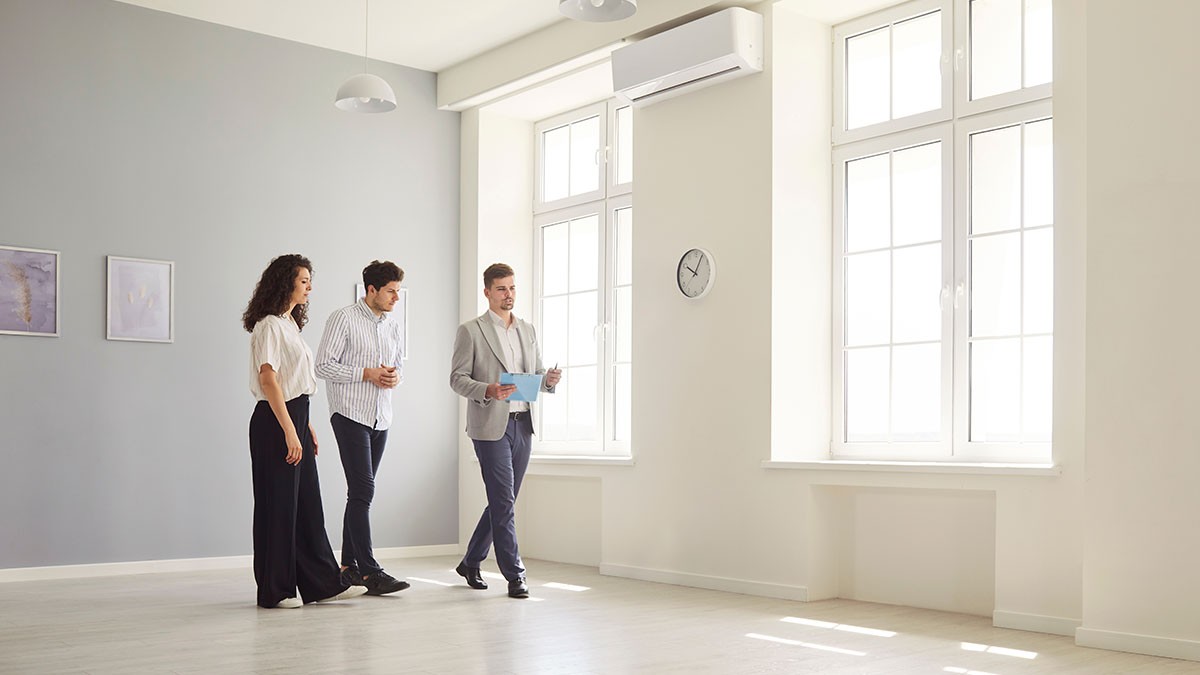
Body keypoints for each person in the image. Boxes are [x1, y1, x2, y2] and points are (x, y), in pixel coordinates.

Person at [242, 254, 367, 609]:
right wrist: (289, 431)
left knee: (307, 504)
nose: (309, 287)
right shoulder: (269, 325)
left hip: (294, 417)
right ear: (286, 283)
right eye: (304, 281)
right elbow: (269, 380)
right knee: (279, 506)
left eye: (310, 280)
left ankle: (323, 583)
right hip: (274, 422)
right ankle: (276, 589)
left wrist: (305, 425)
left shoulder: (288, 324)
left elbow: (292, 382)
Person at [449, 263, 561, 599]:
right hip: (489, 426)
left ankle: (471, 561)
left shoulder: (527, 329)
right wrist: (488, 389)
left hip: (523, 423)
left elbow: (537, 373)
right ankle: (515, 575)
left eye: (512, 288)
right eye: (501, 289)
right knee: (503, 502)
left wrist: (548, 382)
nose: (508, 294)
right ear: (487, 292)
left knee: (504, 501)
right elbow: (457, 379)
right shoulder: (471, 331)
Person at [314, 260, 409, 596]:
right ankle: (371, 573)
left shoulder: (393, 325)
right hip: (350, 414)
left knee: (359, 494)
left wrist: (393, 376)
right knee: (364, 491)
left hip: (381, 417)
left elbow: (398, 367)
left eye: (398, 291)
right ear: (371, 290)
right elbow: (323, 366)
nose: (396, 297)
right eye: (391, 291)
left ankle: (349, 566)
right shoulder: (343, 318)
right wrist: (366, 373)